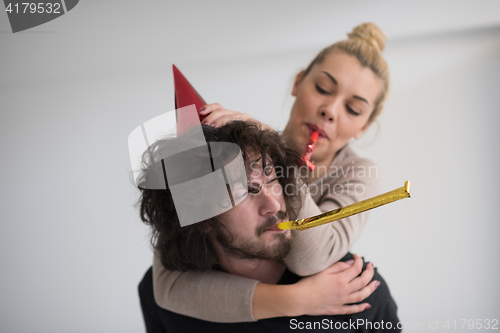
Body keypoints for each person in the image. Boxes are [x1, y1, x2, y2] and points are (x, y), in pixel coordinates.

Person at [150, 22, 394, 322]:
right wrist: (298, 300)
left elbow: (311, 259)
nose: (330, 110)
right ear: (297, 82)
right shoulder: (244, 148)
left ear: (364, 126)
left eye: (353, 109)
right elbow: (166, 285)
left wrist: (279, 153)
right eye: (322, 89)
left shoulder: (359, 174)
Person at [138, 121, 400, 332]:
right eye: (246, 191)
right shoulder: (159, 296)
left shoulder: (354, 289)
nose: (274, 204)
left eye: (273, 179)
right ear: (202, 218)